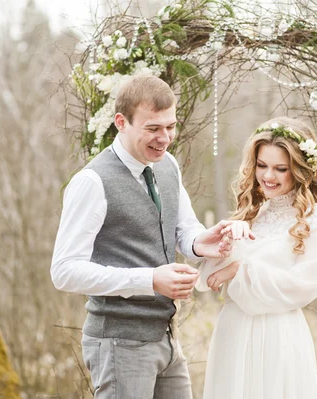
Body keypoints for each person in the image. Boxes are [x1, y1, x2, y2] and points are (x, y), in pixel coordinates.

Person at [51, 75, 233, 399]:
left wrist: (199, 242)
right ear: (121, 122)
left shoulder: (168, 166)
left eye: (170, 126)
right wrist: (149, 280)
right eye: (153, 129)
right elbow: (64, 271)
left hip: (167, 338)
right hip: (119, 344)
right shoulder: (92, 182)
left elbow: (183, 228)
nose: (164, 138)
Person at [196, 117, 317, 399]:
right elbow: (208, 279)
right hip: (233, 332)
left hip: (277, 337)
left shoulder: (316, 220)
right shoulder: (254, 212)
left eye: (280, 168)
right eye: (262, 165)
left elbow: (301, 287)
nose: (268, 176)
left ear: (301, 169)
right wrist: (226, 242)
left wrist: (239, 269)